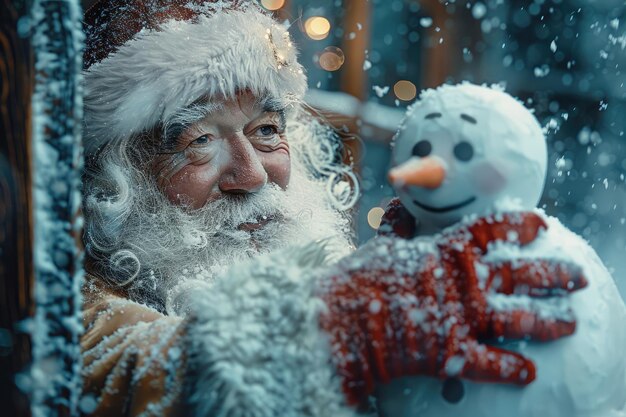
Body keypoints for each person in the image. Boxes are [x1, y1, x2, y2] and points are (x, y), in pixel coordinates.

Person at [80, 1, 586, 416]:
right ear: (115, 179)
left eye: (266, 131)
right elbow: (124, 370)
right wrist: (332, 326)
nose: (253, 175)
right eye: (198, 141)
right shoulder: (67, 306)